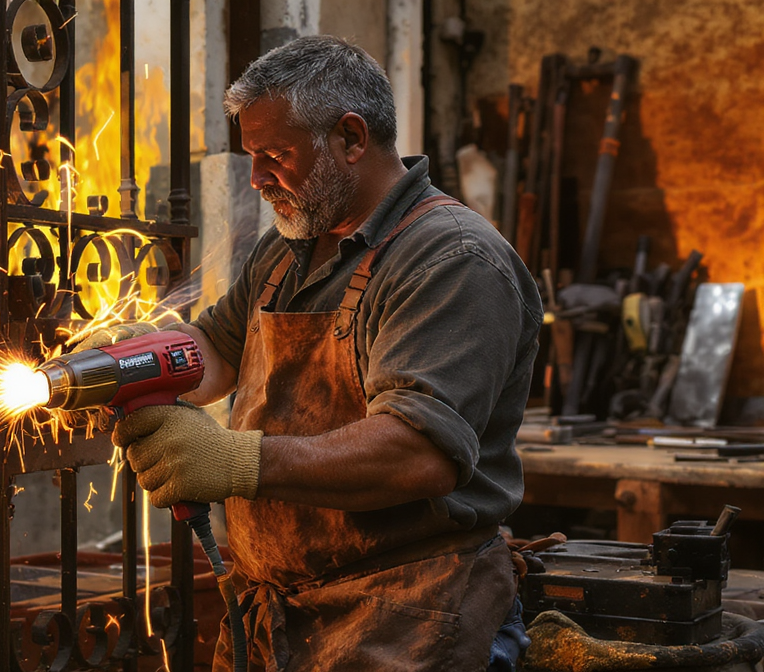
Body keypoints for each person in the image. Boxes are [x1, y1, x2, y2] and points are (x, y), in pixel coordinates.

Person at [99, 36, 542, 671]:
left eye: (275, 155)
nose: (256, 179)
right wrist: (130, 360)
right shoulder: (288, 250)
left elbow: (419, 453)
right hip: (279, 619)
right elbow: (217, 350)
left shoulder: (450, 259)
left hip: (408, 617)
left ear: (351, 138)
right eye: (251, 156)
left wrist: (233, 459)